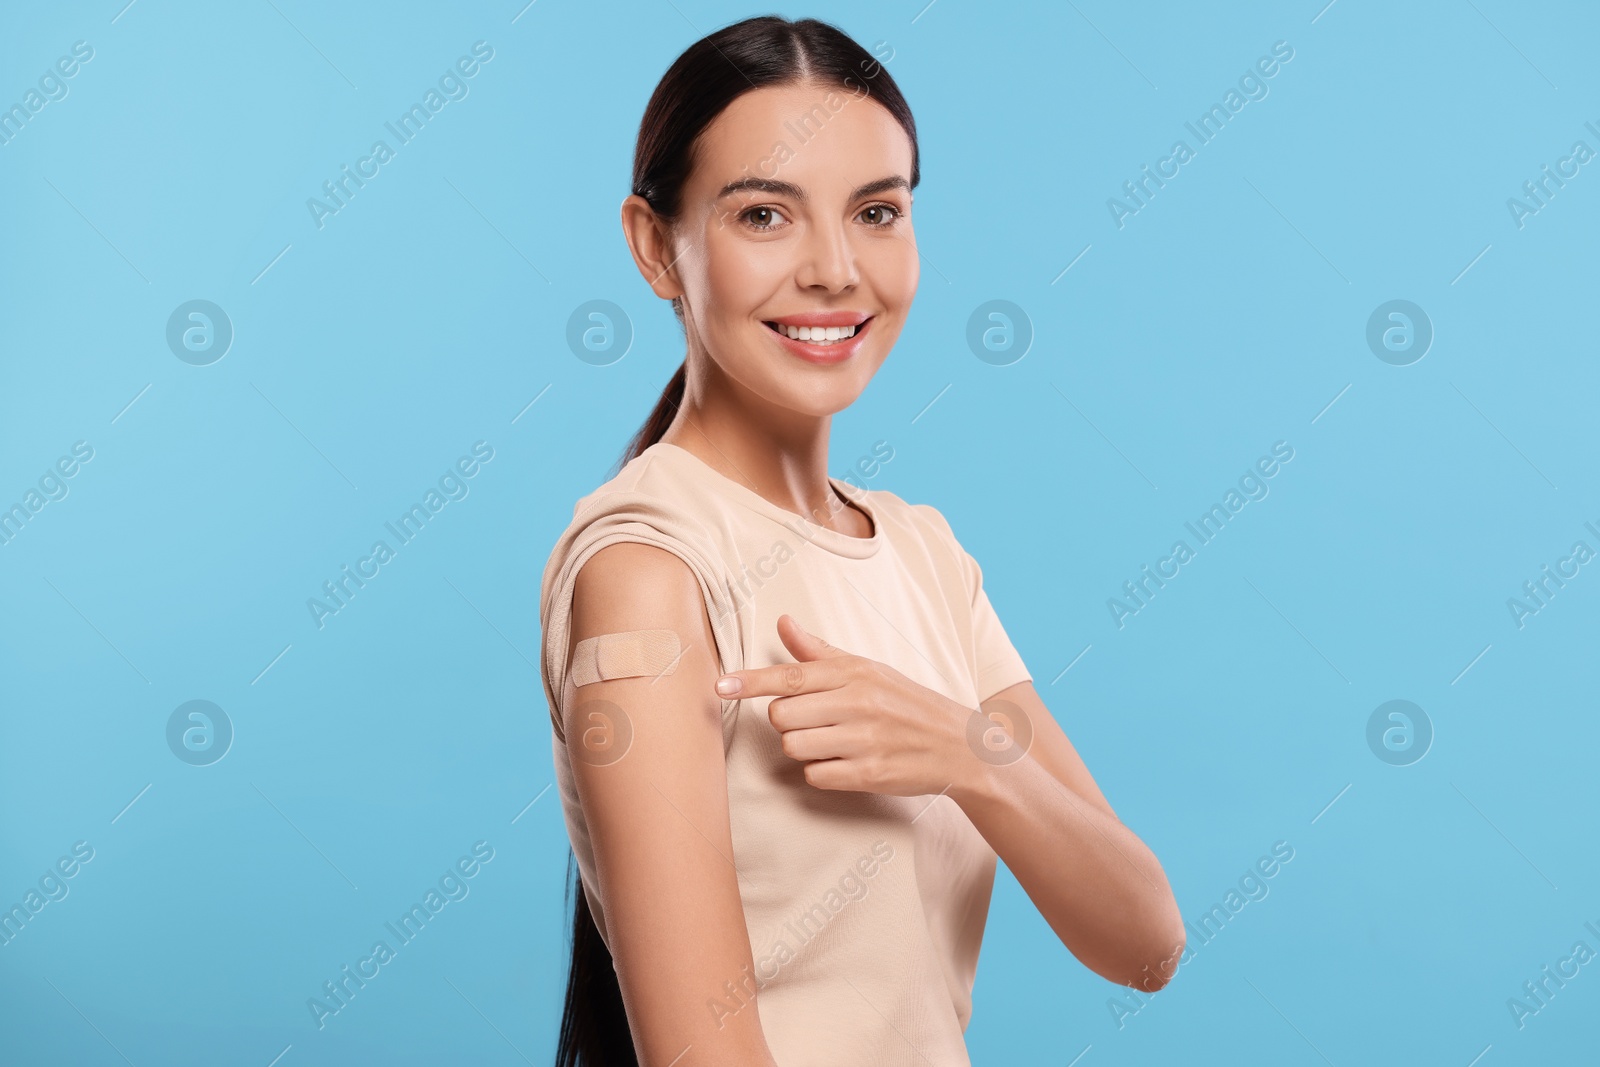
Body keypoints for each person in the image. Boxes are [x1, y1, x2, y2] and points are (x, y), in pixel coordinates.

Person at [541, 16, 1184, 1065]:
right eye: (763, 215)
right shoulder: (648, 570)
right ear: (657, 245)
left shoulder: (923, 554)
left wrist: (968, 754)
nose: (836, 270)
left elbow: (1145, 939)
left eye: (877, 211)